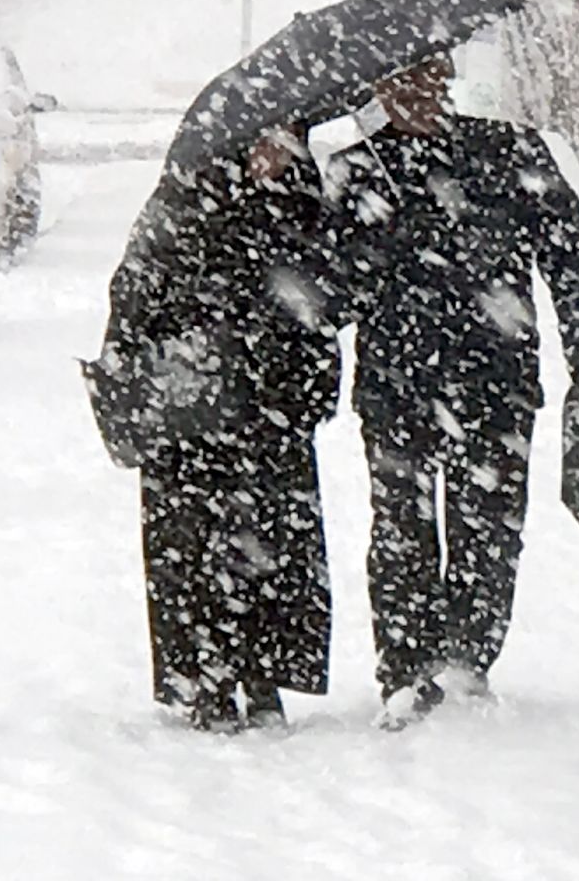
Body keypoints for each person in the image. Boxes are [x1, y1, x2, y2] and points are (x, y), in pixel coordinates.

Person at [326, 54, 579, 730]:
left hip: (495, 378)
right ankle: (405, 668)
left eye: (427, 79)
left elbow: (569, 257)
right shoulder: (358, 168)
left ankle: (468, 655)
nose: (416, 96)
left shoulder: (507, 150)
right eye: (399, 84)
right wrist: (376, 241)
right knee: (401, 526)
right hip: (398, 383)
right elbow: (332, 290)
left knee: (490, 526)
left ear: (447, 78)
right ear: (377, 90)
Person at [92, 122, 354, 732]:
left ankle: (263, 674)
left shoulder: (303, 210)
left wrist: (307, 380)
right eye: (262, 141)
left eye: (287, 143)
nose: (274, 155)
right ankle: (204, 677)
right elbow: (133, 295)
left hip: (272, 409)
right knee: (193, 549)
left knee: (272, 547)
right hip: (194, 413)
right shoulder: (184, 207)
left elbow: (328, 305)